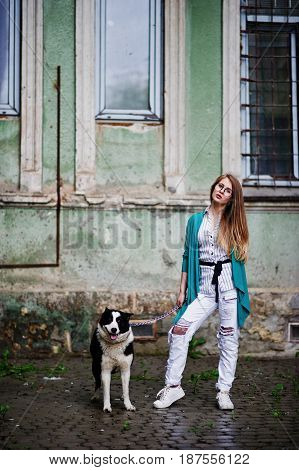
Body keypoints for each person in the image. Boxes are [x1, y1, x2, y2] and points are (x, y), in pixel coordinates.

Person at [153, 174, 250, 410]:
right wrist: (182, 289)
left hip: (228, 288)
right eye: (220, 186)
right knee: (179, 331)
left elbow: (241, 253)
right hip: (204, 290)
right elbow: (187, 256)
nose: (222, 191)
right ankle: (173, 387)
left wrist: (230, 223)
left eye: (228, 190)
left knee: (229, 339)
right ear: (213, 187)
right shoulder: (196, 220)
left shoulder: (234, 222)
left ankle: (224, 390)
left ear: (232, 197)